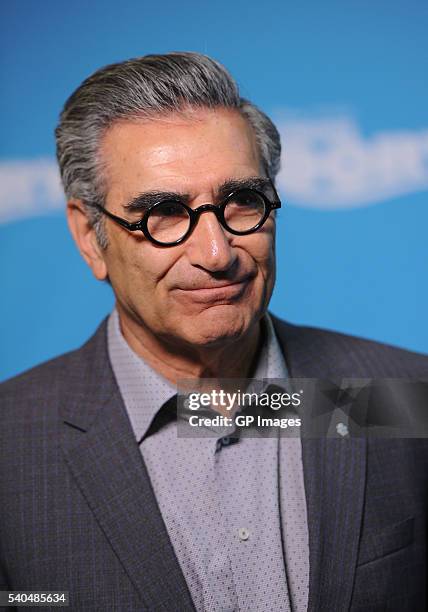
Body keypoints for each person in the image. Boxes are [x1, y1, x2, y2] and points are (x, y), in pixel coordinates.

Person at [0, 52, 427, 612]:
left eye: (242, 201)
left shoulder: (404, 397)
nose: (216, 253)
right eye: (164, 213)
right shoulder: (12, 445)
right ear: (89, 236)